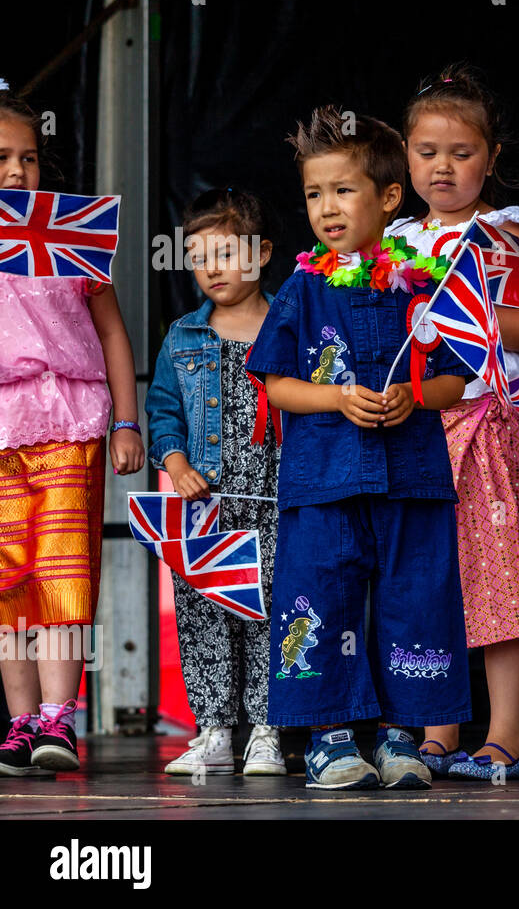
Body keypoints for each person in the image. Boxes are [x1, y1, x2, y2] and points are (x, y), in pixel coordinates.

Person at [246, 107, 473, 790]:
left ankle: (405, 736)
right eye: (315, 194)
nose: (327, 208)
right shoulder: (301, 287)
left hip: (413, 476)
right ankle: (330, 736)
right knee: (319, 599)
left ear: (389, 198)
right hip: (323, 480)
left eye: (343, 191)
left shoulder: (424, 283)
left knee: (417, 598)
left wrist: (416, 396)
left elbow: (457, 377)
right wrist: (338, 399)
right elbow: (278, 385)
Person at [386, 66, 519, 780]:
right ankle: (437, 730)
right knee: (428, 582)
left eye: (460, 152)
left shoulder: (506, 233)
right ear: (406, 158)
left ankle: (508, 735)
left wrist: (469, 316)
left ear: (489, 158)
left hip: (484, 417)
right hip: (413, 425)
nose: (443, 166)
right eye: (427, 152)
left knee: (500, 577)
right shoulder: (392, 239)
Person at [0, 89, 145, 776]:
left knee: (61, 572)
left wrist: (125, 420)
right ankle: (20, 722)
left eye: (28, 157)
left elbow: (113, 332)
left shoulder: (71, 234)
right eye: (1, 158)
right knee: (7, 586)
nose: (17, 172)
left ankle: (59, 717)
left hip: (69, 421)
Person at [145, 188, 285, 777]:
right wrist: (176, 466)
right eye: (199, 258)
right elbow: (163, 412)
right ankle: (213, 731)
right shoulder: (183, 336)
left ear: (263, 252)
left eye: (226, 254)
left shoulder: (288, 325)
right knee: (204, 609)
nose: (212, 270)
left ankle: (268, 731)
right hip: (205, 505)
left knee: (272, 608)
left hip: (276, 496)